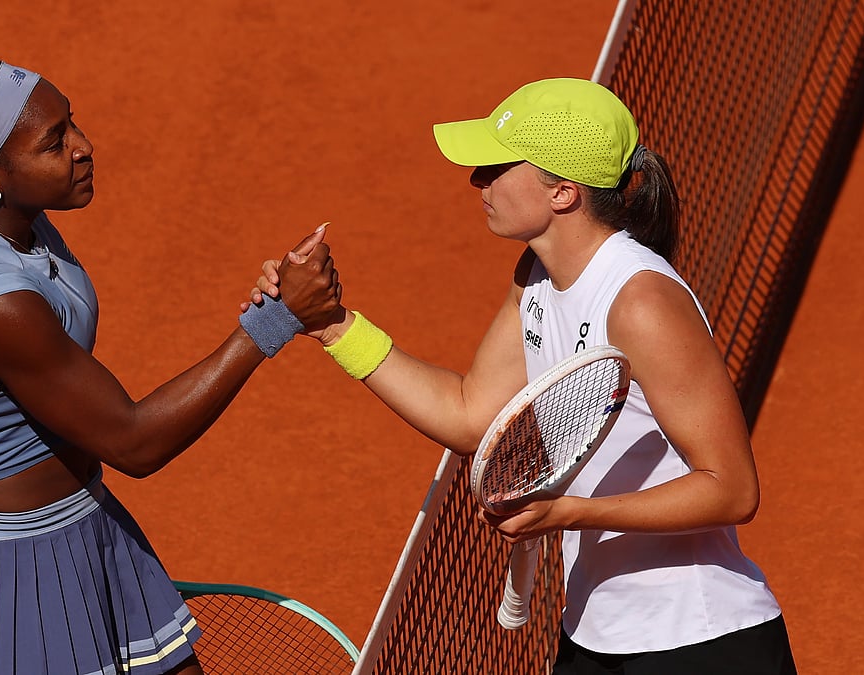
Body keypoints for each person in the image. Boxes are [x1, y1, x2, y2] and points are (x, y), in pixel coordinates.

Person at [250, 78, 797, 673]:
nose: (476, 180)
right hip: (596, 636)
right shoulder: (535, 272)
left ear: (562, 192)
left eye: (498, 166)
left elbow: (732, 487)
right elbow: (469, 413)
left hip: (702, 643)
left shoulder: (640, 301)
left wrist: (570, 512)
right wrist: (333, 325)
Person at [0, 51, 340, 675]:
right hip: (9, 575)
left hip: (84, 524)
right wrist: (274, 321)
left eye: (71, 123)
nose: (83, 146)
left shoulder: (14, 222)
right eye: (55, 143)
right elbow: (134, 442)